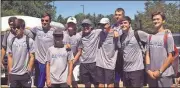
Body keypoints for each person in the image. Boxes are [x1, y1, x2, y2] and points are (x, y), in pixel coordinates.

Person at [30, 13, 61, 88]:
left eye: (46, 21)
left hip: (51, 62)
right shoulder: (36, 29)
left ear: (50, 21)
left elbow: (60, 41)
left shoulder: (54, 31)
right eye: (42, 20)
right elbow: (25, 30)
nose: (44, 22)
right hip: (39, 61)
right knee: (39, 85)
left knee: (51, 84)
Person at [146, 11, 175, 87]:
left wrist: (160, 71)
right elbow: (147, 55)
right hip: (152, 74)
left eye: (158, 19)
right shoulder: (149, 36)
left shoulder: (168, 35)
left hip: (165, 74)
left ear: (163, 20)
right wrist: (148, 70)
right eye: (154, 19)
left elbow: (170, 57)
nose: (155, 21)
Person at [119, 16, 149, 87]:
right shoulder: (121, 37)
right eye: (121, 23)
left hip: (137, 70)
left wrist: (147, 52)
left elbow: (152, 39)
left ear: (129, 23)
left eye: (125, 23)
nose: (123, 24)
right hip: (125, 70)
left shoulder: (137, 33)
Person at [7, 18, 35, 87]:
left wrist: (29, 69)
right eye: (14, 27)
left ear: (23, 28)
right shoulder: (11, 40)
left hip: (25, 74)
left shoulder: (30, 41)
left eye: (18, 27)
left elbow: (32, 56)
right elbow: (10, 56)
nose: (16, 29)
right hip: (14, 74)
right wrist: (10, 70)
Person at [96, 18, 120, 87]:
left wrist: (115, 32)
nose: (102, 27)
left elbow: (119, 46)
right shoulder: (99, 33)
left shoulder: (115, 34)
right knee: (100, 84)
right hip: (100, 63)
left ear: (109, 24)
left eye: (104, 25)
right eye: (101, 25)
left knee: (110, 84)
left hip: (109, 64)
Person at [63, 16, 81, 88]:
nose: (71, 25)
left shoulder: (78, 36)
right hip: (64, 62)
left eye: (72, 24)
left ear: (75, 25)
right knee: (64, 82)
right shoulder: (62, 34)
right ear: (67, 24)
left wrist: (72, 62)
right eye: (69, 24)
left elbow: (79, 51)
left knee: (74, 82)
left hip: (75, 62)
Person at [111, 8, 125, 87]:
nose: (117, 16)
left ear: (123, 16)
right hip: (115, 54)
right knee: (116, 79)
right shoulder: (112, 26)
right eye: (116, 15)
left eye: (119, 15)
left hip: (124, 54)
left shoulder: (126, 25)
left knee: (125, 78)